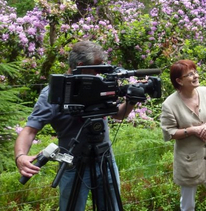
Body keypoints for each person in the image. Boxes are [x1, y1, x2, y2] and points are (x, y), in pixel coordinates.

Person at [15, 41, 137, 210]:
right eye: (96, 67)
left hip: (105, 160)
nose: (98, 72)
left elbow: (118, 114)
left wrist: (132, 100)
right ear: (80, 66)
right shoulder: (53, 93)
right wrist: (20, 156)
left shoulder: (99, 85)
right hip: (73, 163)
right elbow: (30, 129)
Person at [160, 60, 206, 211]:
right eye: (190, 74)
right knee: (188, 206)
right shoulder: (169, 104)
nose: (195, 76)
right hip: (188, 162)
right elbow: (169, 132)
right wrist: (191, 130)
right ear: (179, 80)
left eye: (195, 72)